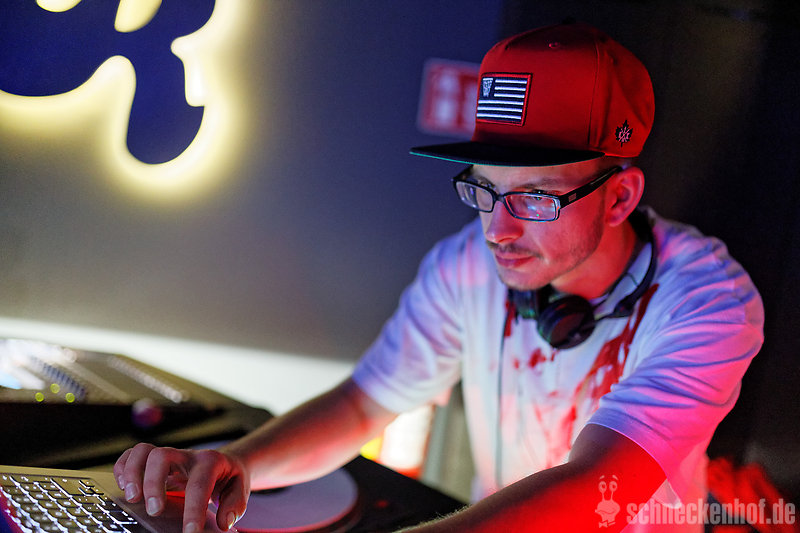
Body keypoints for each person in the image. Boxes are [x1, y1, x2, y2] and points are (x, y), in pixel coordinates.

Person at [114, 22, 764, 532]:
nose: (498, 231)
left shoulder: (708, 303)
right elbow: (365, 403)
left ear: (619, 198)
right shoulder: (468, 264)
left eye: (534, 197)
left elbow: (598, 483)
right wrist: (240, 462)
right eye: (485, 190)